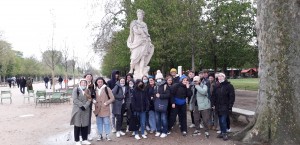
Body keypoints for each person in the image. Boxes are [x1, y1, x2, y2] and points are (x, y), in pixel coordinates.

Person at [127, 9, 154, 78]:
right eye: (138, 14)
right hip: (137, 42)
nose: (139, 16)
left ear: (143, 16)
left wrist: (150, 42)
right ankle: (131, 70)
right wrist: (141, 33)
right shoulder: (134, 23)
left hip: (144, 43)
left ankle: (141, 72)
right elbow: (134, 32)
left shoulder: (144, 24)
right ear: (137, 15)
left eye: (141, 14)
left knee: (142, 58)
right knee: (133, 58)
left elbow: (147, 34)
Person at [211, 73, 235, 141]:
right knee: (220, 120)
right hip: (218, 106)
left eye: (221, 76)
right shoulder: (216, 86)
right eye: (219, 76)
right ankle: (222, 132)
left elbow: (232, 96)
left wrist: (230, 105)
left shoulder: (229, 86)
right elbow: (213, 96)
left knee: (223, 120)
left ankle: (224, 133)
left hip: (225, 106)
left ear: (224, 77)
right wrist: (212, 104)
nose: (220, 77)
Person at [70, 79, 92, 145]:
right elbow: (75, 99)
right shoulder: (76, 90)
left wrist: (85, 106)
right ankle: (77, 140)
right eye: (82, 83)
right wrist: (81, 105)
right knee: (77, 125)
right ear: (80, 83)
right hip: (77, 109)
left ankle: (84, 139)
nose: (84, 84)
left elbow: (90, 99)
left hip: (85, 109)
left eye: (85, 83)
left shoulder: (88, 90)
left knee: (85, 125)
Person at [93, 77, 115, 141]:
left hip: (105, 108)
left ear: (103, 82)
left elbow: (112, 98)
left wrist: (106, 103)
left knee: (106, 122)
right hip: (98, 109)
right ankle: (100, 135)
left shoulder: (107, 88)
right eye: (98, 82)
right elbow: (93, 97)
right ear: (96, 82)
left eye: (101, 82)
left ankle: (107, 135)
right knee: (99, 123)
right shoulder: (95, 89)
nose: (100, 83)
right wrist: (93, 101)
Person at [154, 70, 170, 138]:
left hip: (163, 105)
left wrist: (160, 95)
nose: (158, 80)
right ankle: (158, 130)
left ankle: (164, 131)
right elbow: (154, 94)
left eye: (159, 78)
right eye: (157, 79)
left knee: (164, 118)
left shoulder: (165, 85)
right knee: (157, 119)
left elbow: (168, 95)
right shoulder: (155, 86)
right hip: (157, 104)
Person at [84, 73, 95, 141]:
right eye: (87, 77)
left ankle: (88, 133)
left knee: (88, 120)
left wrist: (93, 99)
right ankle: (81, 134)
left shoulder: (92, 86)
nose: (89, 78)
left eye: (90, 77)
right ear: (85, 77)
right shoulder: (81, 85)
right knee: (81, 120)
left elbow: (94, 95)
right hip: (82, 105)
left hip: (89, 105)